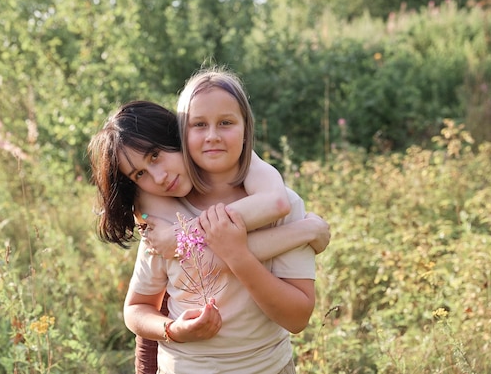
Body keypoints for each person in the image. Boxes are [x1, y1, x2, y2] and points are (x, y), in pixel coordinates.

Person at [88, 101, 328, 373]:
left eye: (155, 155)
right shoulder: (157, 218)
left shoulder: (266, 195)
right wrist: (173, 329)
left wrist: (189, 238)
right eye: (140, 174)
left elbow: (296, 318)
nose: (159, 177)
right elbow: (138, 307)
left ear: (178, 135)